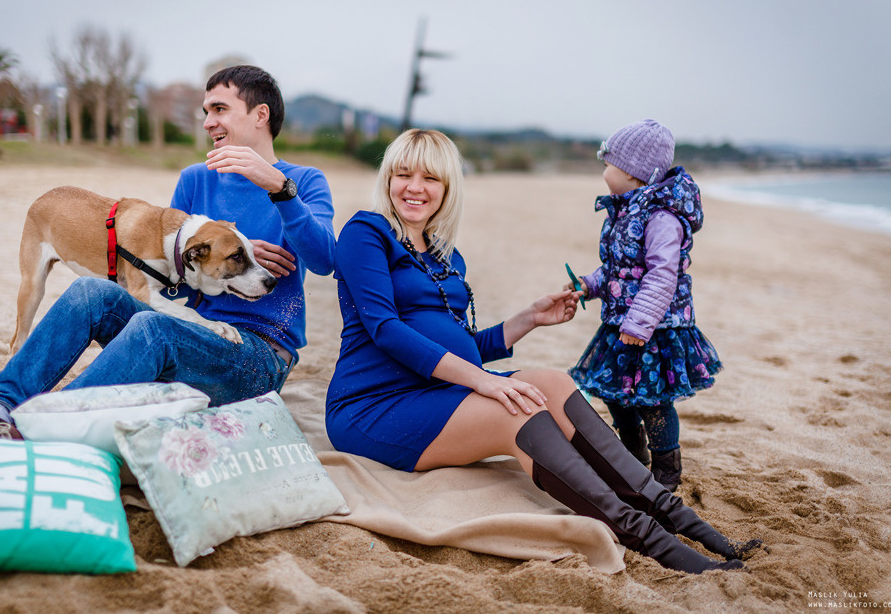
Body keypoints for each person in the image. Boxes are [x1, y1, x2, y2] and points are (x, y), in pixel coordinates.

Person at [325, 128, 759, 574]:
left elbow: (466, 350)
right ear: (387, 178)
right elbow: (386, 331)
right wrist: (485, 383)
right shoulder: (367, 231)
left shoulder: (446, 259)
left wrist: (529, 318)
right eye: (403, 174)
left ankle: (680, 519)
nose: (415, 187)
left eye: (430, 178)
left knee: (550, 382)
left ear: (448, 188)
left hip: (436, 391)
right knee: (518, 410)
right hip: (374, 406)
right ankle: (651, 539)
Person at [0, 65, 335, 442]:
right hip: (189, 329)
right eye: (206, 111)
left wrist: (280, 190)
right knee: (91, 292)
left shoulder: (303, 181)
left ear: (260, 115)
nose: (208, 122)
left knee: (153, 329)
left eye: (219, 109)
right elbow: (173, 277)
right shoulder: (195, 179)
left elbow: (324, 260)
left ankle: (36, 430)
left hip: (256, 355)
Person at [566, 119, 719, 493]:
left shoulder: (661, 218)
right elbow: (621, 269)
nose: (604, 171)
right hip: (624, 322)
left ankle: (667, 471)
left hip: (655, 329)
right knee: (614, 391)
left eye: (609, 164)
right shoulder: (627, 210)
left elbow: (662, 274)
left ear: (635, 175)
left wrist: (640, 322)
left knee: (653, 400)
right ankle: (633, 458)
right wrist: (590, 284)